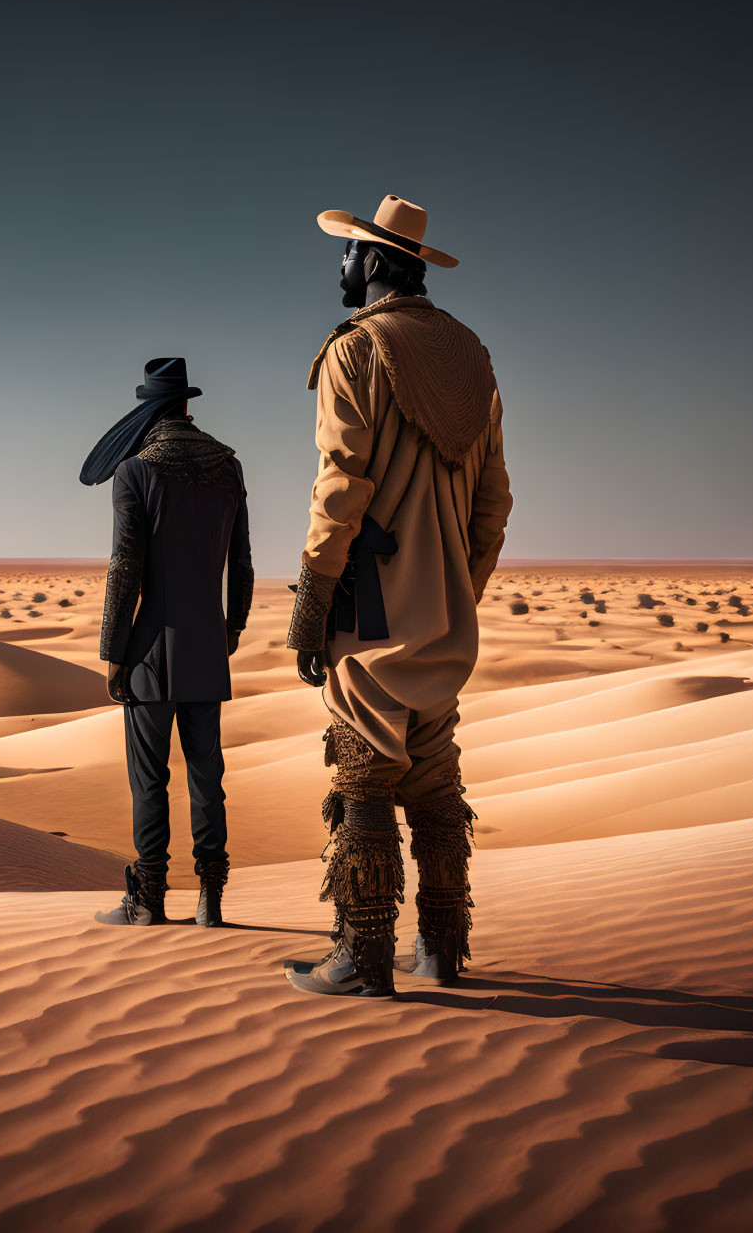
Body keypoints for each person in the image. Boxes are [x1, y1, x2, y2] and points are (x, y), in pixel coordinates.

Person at [284, 195, 512, 997]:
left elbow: (339, 485)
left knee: (364, 772)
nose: (341, 266)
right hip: (445, 617)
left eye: (348, 253)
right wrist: (459, 588)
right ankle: (443, 948)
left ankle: (364, 956)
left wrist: (313, 599)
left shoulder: (358, 350)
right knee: (434, 774)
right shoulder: (471, 354)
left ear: (377, 263)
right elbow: (494, 503)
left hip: (369, 609)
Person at [81, 357, 253, 928]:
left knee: (149, 779)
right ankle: (211, 900)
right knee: (208, 777)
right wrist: (232, 628)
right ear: (187, 405)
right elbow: (242, 564)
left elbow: (123, 570)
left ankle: (147, 899)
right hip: (207, 645)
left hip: (148, 654)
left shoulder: (135, 471)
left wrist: (112, 651)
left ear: (151, 408)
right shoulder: (228, 467)